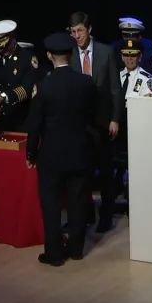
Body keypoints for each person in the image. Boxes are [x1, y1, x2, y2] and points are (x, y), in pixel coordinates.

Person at [26, 32, 99, 266]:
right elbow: (92, 116)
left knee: (51, 205)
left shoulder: (44, 87)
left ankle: (54, 253)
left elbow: (35, 124)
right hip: (79, 152)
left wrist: (31, 153)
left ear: (49, 56)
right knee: (78, 203)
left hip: (51, 156)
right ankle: (77, 249)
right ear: (70, 55)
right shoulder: (86, 84)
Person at [68, 11, 123, 232]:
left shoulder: (106, 52)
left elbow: (115, 89)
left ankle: (106, 216)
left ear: (89, 29)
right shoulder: (69, 54)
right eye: (73, 32)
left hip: (103, 122)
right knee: (83, 173)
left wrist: (115, 119)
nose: (77, 36)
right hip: (80, 125)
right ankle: (86, 214)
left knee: (106, 172)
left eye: (80, 30)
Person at [0, 19, 37, 131]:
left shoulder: (26, 57)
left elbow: (27, 88)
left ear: (13, 38)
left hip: (20, 120)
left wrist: (3, 97)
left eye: (5, 44)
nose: (2, 48)